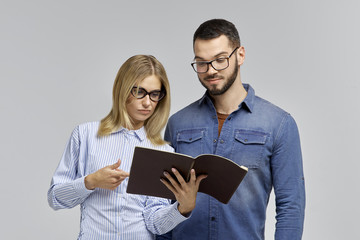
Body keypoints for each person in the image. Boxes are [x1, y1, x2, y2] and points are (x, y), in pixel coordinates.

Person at [157, 19, 305, 240]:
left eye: (220, 60)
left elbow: (291, 206)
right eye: (201, 63)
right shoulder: (178, 124)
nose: (211, 70)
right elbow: (165, 201)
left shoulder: (279, 124)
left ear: (240, 55)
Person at [47, 55, 207, 239]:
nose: (147, 102)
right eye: (139, 91)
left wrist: (183, 208)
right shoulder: (85, 135)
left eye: (155, 94)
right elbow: (55, 199)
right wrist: (91, 181)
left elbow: (154, 223)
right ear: (122, 89)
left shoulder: (163, 152)